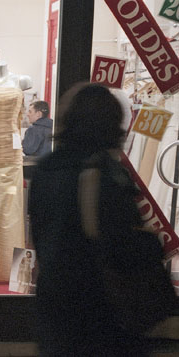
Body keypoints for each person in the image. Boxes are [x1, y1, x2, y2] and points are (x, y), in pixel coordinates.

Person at [28, 83, 171, 355]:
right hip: (101, 306)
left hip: (55, 300)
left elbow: (39, 229)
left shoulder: (47, 168)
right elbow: (121, 242)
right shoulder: (106, 173)